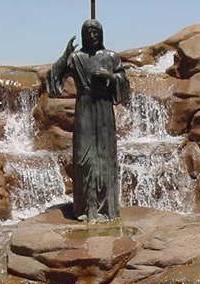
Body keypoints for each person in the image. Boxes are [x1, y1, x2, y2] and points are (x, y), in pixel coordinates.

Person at [47, 19, 130, 221]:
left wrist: (111, 77)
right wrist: (65, 55)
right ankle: (84, 208)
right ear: (83, 35)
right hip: (84, 107)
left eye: (96, 32)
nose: (93, 36)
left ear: (101, 34)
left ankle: (106, 209)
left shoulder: (111, 57)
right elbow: (54, 78)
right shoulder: (76, 58)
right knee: (84, 158)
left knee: (104, 156)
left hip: (104, 108)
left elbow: (124, 84)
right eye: (89, 32)